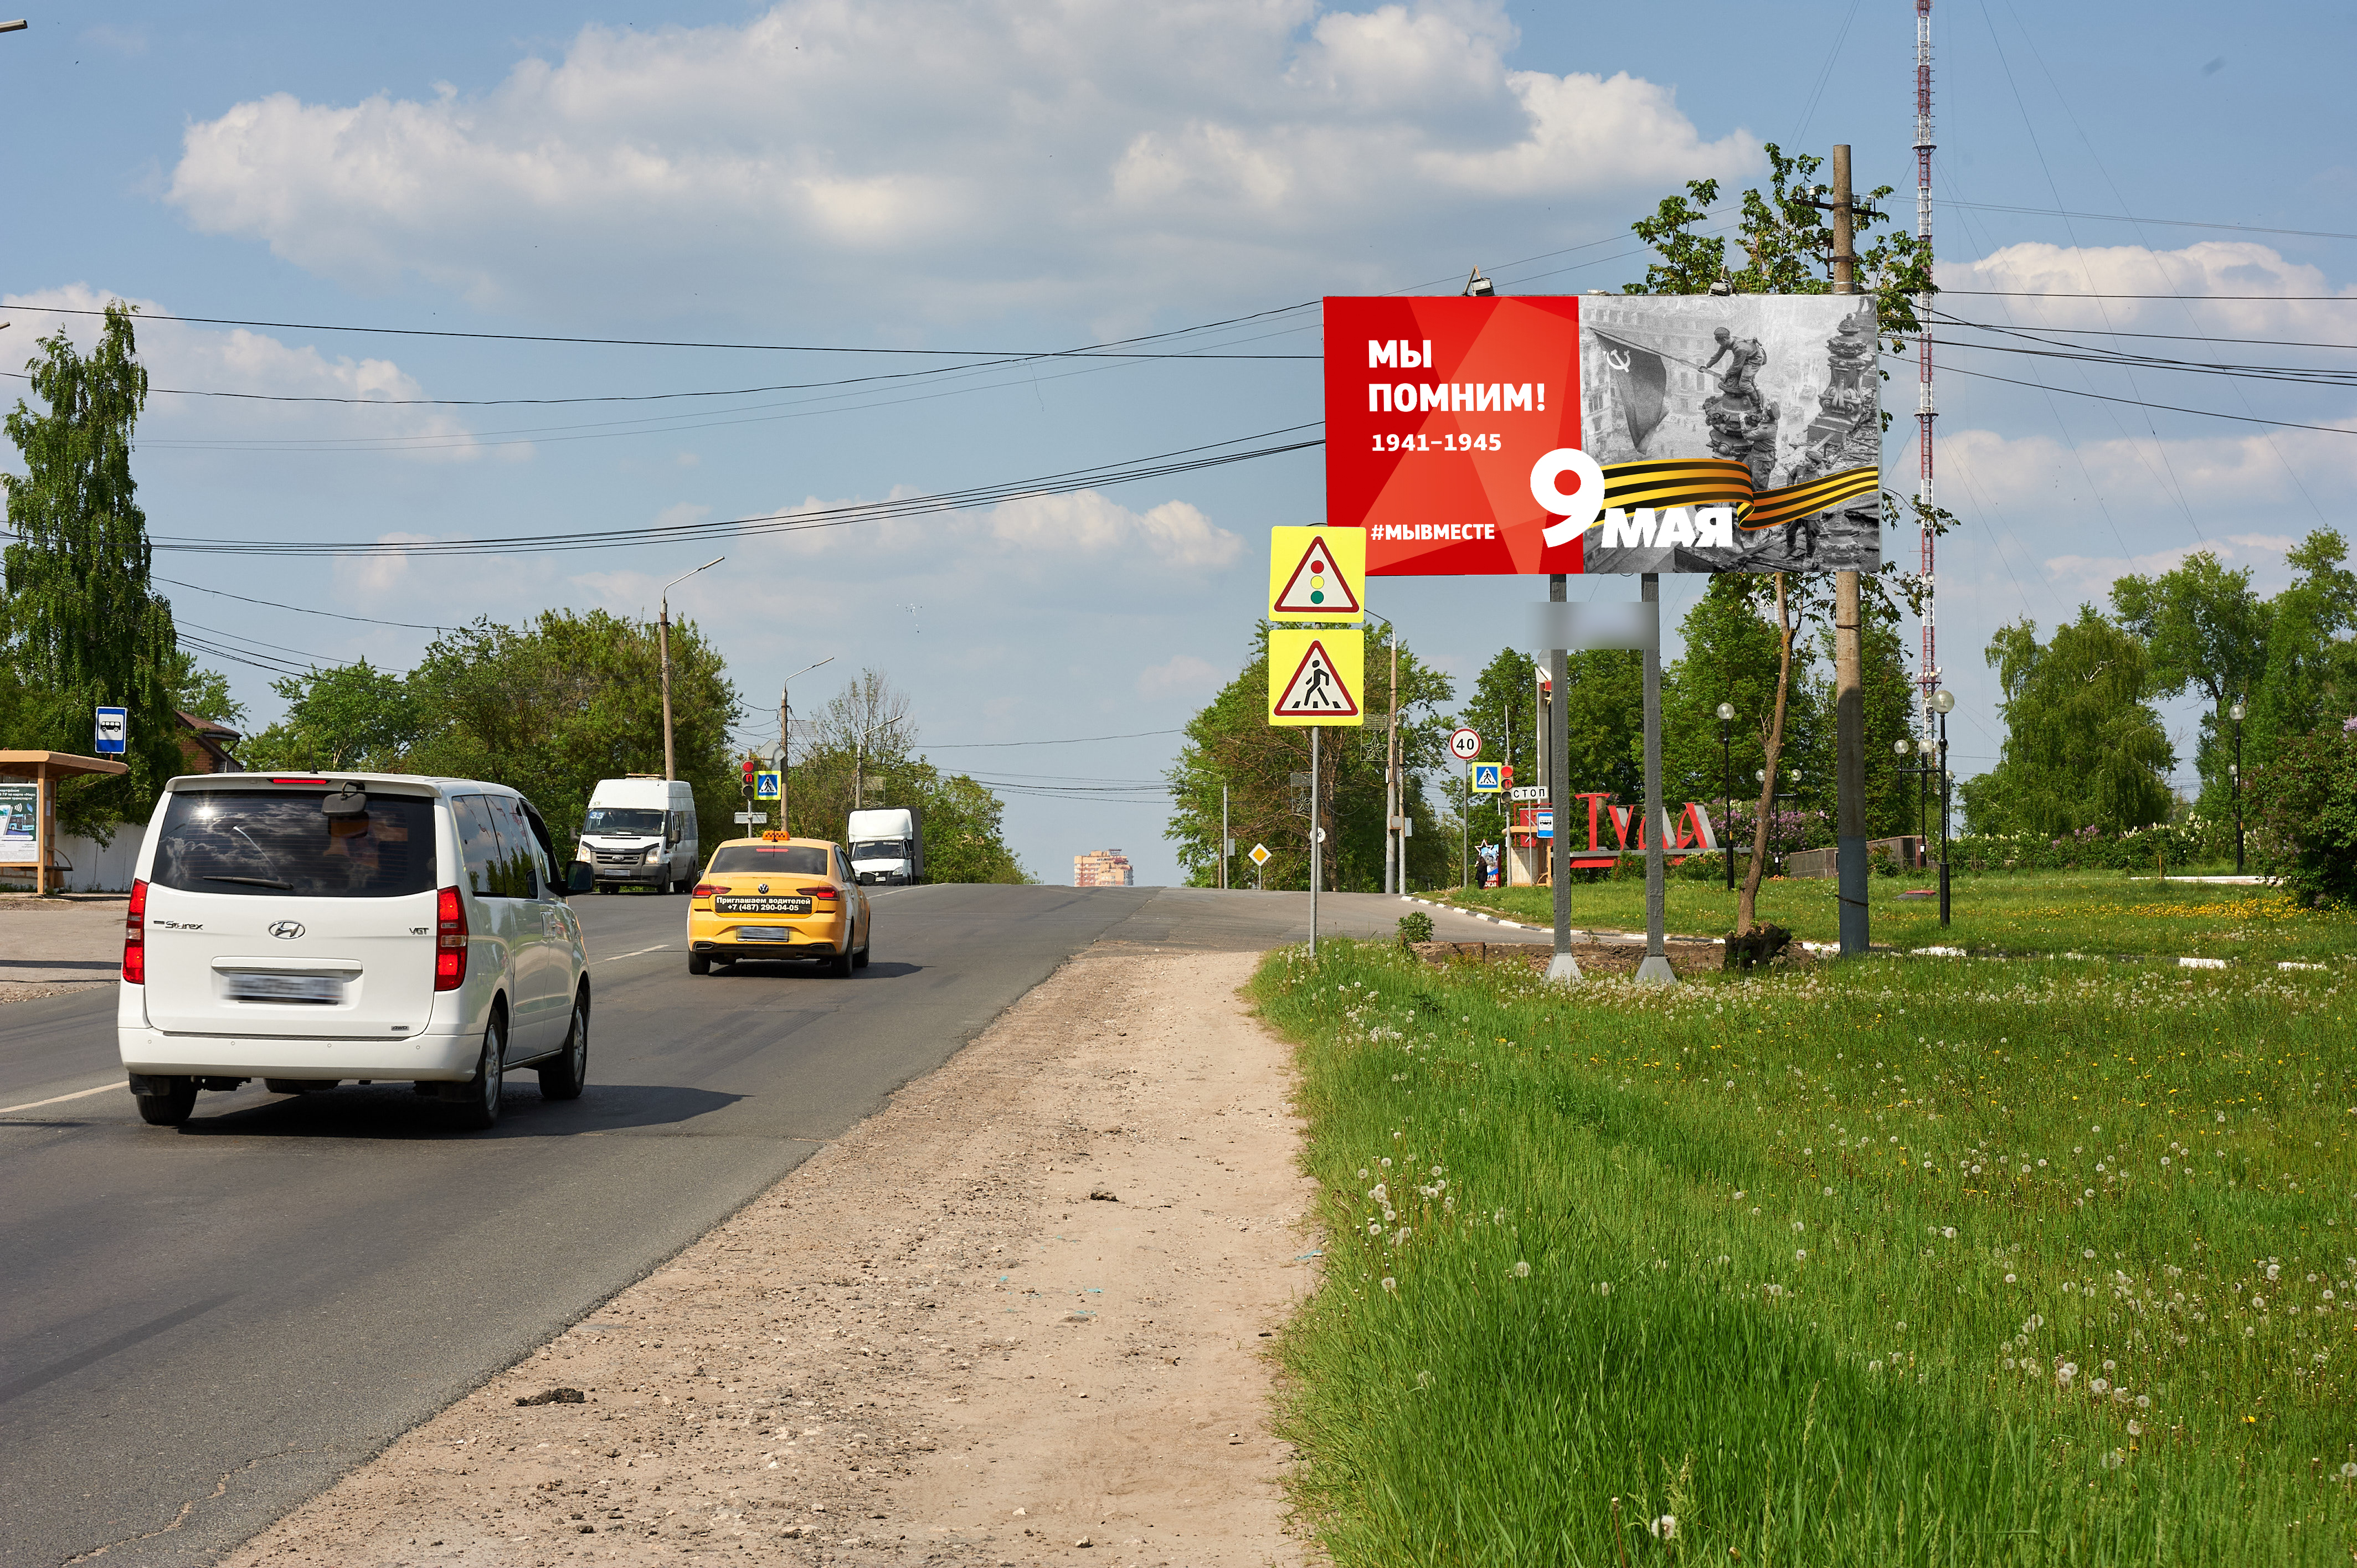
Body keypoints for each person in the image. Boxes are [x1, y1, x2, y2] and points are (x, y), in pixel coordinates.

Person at [1702, 327, 1766, 403]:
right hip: (1746, 356)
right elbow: (1718, 355)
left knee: (1744, 384)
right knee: (1734, 376)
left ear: (1724, 340)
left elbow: (1737, 366)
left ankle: (1756, 402)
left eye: (1719, 342)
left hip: (1754, 360)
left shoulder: (1739, 349)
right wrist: (1707, 366)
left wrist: (1727, 375)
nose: (1718, 343)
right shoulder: (1729, 341)